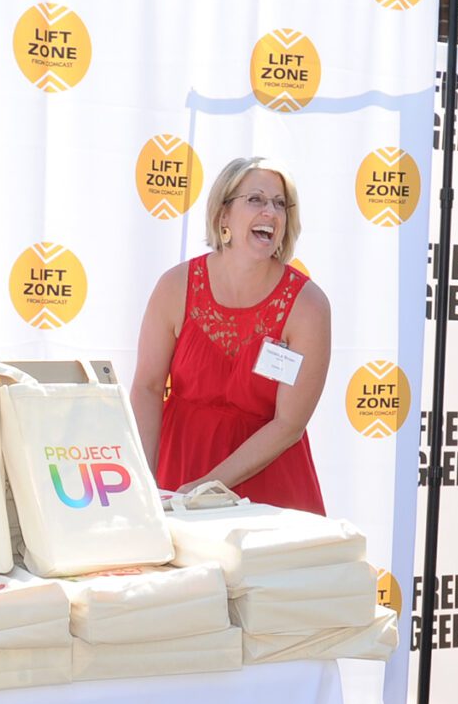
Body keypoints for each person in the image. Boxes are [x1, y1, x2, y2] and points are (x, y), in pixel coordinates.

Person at [131, 157, 330, 513]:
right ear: (224, 215)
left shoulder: (308, 305)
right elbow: (147, 387)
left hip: (269, 493)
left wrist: (206, 487)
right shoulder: (175, 286)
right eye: (255, 199)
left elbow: (289, 424)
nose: (270, 211)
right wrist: (144, 481)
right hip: (179, 474)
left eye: (280, 203)